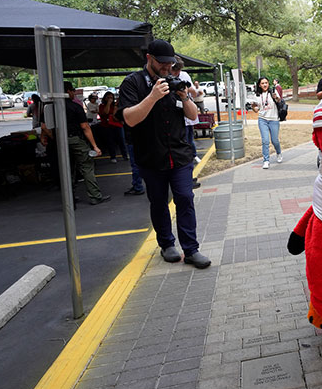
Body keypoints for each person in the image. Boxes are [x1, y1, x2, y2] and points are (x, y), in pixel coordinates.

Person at [117, 39, 211, 269]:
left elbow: (192, 116)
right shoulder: (133, 83)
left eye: (170, 64)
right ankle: (167, 244)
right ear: (149, 59)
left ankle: (191, 249)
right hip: (151, 155)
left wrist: (185, 96)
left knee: (185, 198)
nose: (167, 68)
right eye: (162, 63)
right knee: (158, 202)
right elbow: (129, 119)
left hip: (179, 154)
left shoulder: (175, 80)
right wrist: (152, 96)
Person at [41, 82, 110, 205]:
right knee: (87, 166)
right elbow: (85, 127)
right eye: (72, 90)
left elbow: (44, 126)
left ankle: (70, 197)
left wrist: (52, 137)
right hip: (75, 139)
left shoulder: (50, 108)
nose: (74, 93)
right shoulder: (75, 107)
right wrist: (94, 146)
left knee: (66, 169)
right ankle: (95, 196)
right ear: (67, 92)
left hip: (59, 141)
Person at [255, 76, 282, 169]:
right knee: (265, 141)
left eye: (266, 83)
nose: (264, 85)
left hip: (274, 119)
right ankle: (266, 160)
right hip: (262, 119)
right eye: (262, 83)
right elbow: (256, 109)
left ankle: (278, 153)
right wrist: (252, 106)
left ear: (268, 84)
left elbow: (279, 100)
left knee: (275, 140)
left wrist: (276, 97)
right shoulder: (257, 95)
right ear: (259, 85)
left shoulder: (273, 92)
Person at [98, 92, 127, 163]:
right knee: (110, 142)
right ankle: (113, 156)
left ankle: (125, 155)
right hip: (107, 126)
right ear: (105, 98)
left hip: (117, 124)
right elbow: (105, 112)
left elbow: (118, 114)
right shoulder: (102, 106)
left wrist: (115, 105)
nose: (110, 99)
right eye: (108, 97)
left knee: (121, 140)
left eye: (111, 97)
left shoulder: (116, 105)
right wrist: (108, 103)